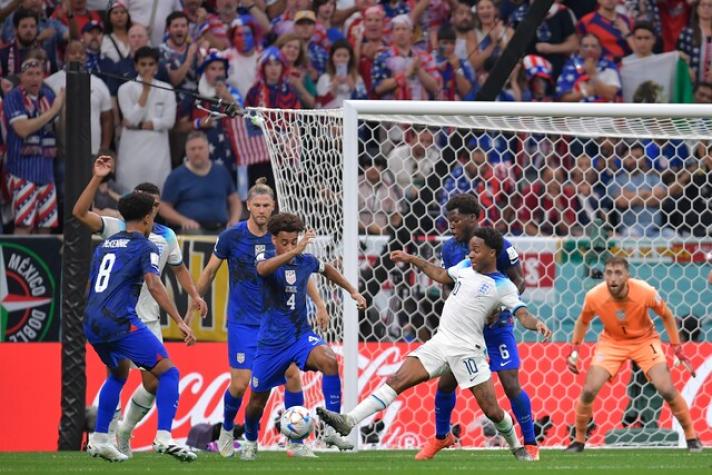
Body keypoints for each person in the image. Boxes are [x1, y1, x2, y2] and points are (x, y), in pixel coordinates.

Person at [317, 227, 552, 463]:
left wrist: (537, 324)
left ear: (492, 253)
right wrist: (411, 259)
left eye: (476, 250)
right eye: (470, 249)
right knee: (396, 381)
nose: (470, 254)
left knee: (492, 411)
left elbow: (522, 314)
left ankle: (516, 447)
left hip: (468, 352)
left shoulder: (503, 286)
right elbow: (440, 274)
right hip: (440, 342)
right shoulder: (464, 268)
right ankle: (349, 421)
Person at [192, 181, 347, 456]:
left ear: (272, 207)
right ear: (248, 206)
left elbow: (299, 274)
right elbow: (210, 271)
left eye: (266, 205)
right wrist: (194, 300)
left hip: (278, 324)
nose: (262, 210)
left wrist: (320, 303)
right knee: (240, 385)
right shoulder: (232, 237)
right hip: (243, 321)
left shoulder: (279, 237)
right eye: (257, 205)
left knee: (293, 377)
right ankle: (228, 428)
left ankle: (295, 443)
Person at [73, 155, 207, 457]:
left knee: (117, 375)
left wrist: (193, 295)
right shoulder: (142, 241)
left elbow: (93, 283)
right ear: (148, 215)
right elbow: (155, 283)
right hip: (123, 320)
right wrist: (181, 321)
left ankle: (101, 439)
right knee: (169, 373)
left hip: (94, 319)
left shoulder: (106, 244)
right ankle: (163, 436)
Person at [409, 194, 539, 460]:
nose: (451, 224)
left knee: (511, 385)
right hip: (467, 332)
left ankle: (531, 443)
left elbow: (519, 282)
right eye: (449, 220)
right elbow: (451, 284)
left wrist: (499, 307)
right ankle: (440, 437)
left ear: (473, 218)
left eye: (456, 219)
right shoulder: (449, 248)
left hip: (498, 327)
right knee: (445, 385)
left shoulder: (498, 245)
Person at [239, 213, 367, 460]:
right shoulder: (265, 257)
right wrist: (295, 250)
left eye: (293, 241)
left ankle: (330, 430)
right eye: (284, 242)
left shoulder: (304, 261)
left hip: (299, 336)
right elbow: (263, 270)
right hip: (271, 343)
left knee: (330, 360)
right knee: (256, 402)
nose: (290, 246)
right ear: (273, 239)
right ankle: (250, 441)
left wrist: (352, 291)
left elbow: (327, 269)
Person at [565, 256, 702, 453]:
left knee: (666, 388)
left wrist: (677, 348)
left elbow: (667, 315)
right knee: (588, 391)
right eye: (609, 273)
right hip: (612, 342)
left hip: (645, 341)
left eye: (618, 273)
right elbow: (583, 321)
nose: (613, 278)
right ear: (603, 275)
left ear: (627, 275)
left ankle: (691, 437)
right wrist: (574, 350)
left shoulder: (645, 292)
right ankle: (578, 441)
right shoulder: (594, 296)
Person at [3, 57, 64, 234]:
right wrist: (53, 110)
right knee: (24, 225)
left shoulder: (49, 96)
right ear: (21, 77)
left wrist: (63, 107)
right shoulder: (14, 97)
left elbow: (58, 129)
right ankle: (15, 263)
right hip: (22, 171)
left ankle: (42, 263)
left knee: (47, 225)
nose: (34, 78)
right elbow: (22, 129)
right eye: (29, 74)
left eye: (38, 74)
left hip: (46, 171)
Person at [116, 46, 176, 193]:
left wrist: (152, 124)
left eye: (151, 64)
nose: (147, 68)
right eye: (143, 64)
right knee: (131, 194)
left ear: (156, 66)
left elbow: (169, 121)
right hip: (132, 152)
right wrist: (146, 91)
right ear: (136, 66)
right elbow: (131, 120)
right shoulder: (125, 89)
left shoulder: (167, 89)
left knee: (157, 194)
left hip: (158, 152)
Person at [160, 131, 241, 233]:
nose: (197, 152)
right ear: (187, 151)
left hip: (221, 227)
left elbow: (234, 199)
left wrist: (234, 220)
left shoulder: (221, 171)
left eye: (200, 148)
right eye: (192, 149)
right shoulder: (176, 176)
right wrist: (183, 221)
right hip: (192, 231)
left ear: (208, 149)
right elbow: (163, 207)